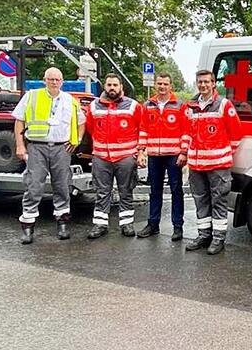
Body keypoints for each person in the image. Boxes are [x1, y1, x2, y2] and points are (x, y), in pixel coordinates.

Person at [14, 67, 86, 244]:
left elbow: (81, 122)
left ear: (62, 82)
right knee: (34, 186)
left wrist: (76, 139)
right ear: (44, 80)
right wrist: (20, 145)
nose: (54, 82)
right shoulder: (32, 96)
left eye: (58, 79)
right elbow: (19, 121)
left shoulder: (70, 100)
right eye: (51, 79)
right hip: (37, 147)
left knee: (62, 186)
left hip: (61, 148)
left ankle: (62, 224)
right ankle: (28, 227)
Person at [183, 70, 243, 255]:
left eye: (206, 82)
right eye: (200, 82)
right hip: (196, 164)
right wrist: (186, 153)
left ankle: (218, 238)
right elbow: (185, 132)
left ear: (213, 83)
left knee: (219, 201)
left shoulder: (224, 105)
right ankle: (204, 235)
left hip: (218, 165)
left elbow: (236, 134)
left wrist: (224, 152)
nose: (203, 85)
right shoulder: (190, 106)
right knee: (200, 201)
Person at [85, 73, 143, 239]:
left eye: (115, 85)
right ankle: (100, 225)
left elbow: (142, 129)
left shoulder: (133, 106)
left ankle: (126, 224)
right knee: (102, 192)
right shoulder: (94, 106)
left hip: (125, 157)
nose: (112, 88)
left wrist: (140, 152)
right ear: (105, 86)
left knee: (126, 191)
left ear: (121, 87)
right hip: (101, 157)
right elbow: (90, 128)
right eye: (109, 85)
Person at [137, 73, 188, 241]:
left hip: (173, 156)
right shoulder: (148, 105)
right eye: (159, 83)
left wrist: (183, 152)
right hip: (154, 155)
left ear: (170, 86)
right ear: (156, 85)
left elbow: (185, 130)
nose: (162, 87)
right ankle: (153, 224)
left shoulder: (180, 105)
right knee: (155, 191)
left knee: (176, 191)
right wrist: (142, 150)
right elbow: (143, 129)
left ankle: (178, 226)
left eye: (165, 84)